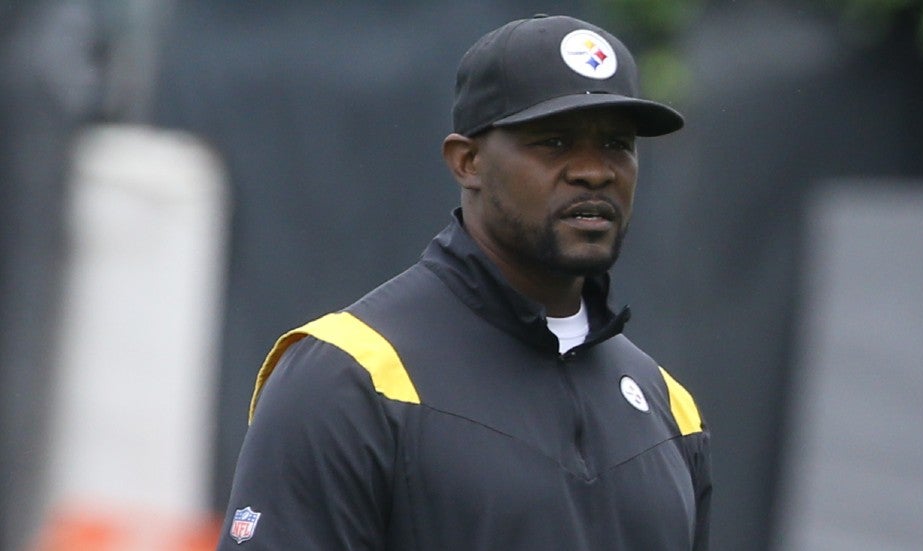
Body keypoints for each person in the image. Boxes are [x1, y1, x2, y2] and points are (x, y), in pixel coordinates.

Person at [217, 14, 710, 550]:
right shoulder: (350, 376)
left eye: (617, 144)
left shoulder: (669, 406)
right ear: (467, 161)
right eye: (554, 142)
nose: (595, 171)